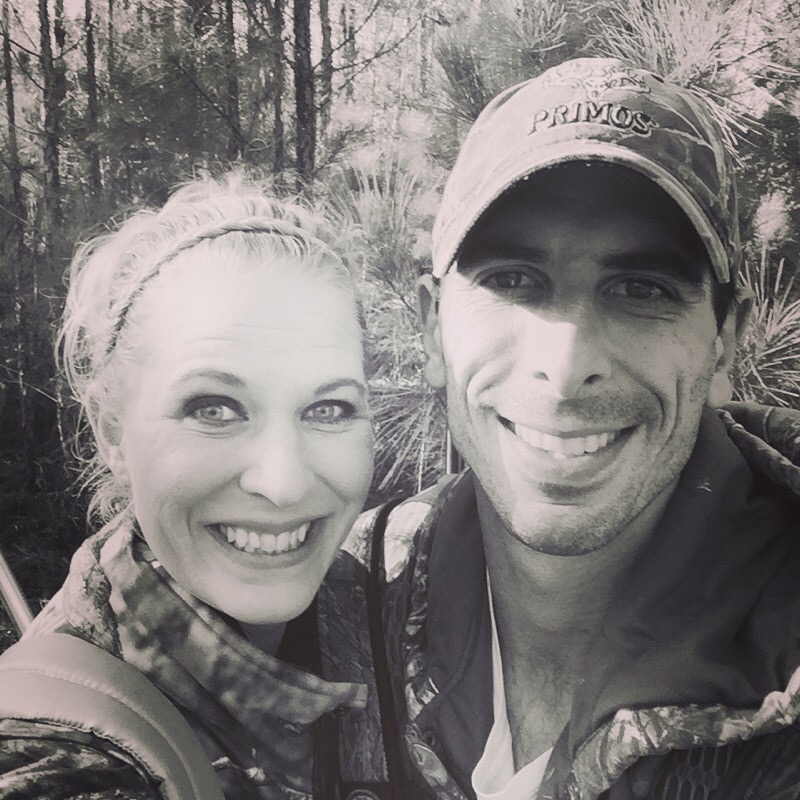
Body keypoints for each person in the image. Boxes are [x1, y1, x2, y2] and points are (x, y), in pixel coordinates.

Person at [319, 57, 800, 799]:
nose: (567, 366)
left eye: (640, 288)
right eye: (512, 280)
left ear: (724, 342)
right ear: (432, 328)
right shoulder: (339, 594)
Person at [0, 175, 374, 799]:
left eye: (328, 409)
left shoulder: (389, 612)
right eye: (213, 409)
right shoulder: (59, 748)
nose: (283, 483)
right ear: (112, 432)